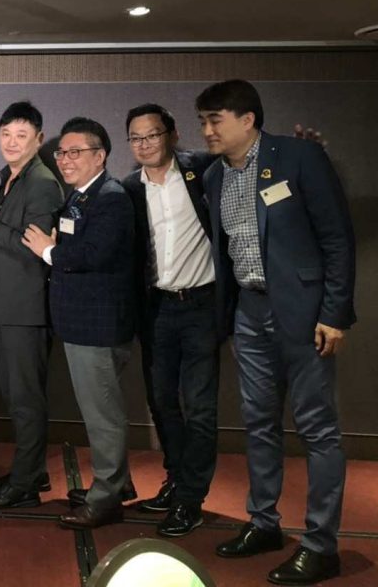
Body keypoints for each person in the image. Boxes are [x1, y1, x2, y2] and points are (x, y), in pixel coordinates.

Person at [197, 80, 355, 586]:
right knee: (258, 422)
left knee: (317, 429)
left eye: (215, 119)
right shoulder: (215, 175)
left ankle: (321, 545)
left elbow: (337, 238)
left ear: (247, 119)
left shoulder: (299, 157)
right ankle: (263, 523)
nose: (207, 130)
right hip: (249, 310)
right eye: (203, 121)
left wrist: (335, 313)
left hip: (305, 314)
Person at [22, 117, 136, 530]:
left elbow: (93, 254)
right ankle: (116, 485)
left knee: (103, 416)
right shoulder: (81, 195)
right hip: (81, 323)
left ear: (100, 155)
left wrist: (48, 250)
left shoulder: (111, 197)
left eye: (76, 152)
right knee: (100, 411)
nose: (66, 160)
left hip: (98, 326)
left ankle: (106, 499)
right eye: (62, 152)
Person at [120, 103, 219, 537]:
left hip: (201, 306)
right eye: (136, 138)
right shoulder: (129, 189)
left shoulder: (205, 170)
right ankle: (177, 479)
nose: (144, 144)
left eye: (152, 134)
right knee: (162, 401)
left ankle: (191, 500)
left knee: (199, 407)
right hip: (157, 309)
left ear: (173, 135)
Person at [0, 101, 63, 510]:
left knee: (26, 400)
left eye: (21, 135)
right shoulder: (9, 178)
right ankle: (30, 472)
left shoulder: (41, 182)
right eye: (6, 134)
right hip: (3, 306)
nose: (11, 142)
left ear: (38, 139)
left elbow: (35, 248)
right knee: (15, 396)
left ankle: (24, 486)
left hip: (26, 309)